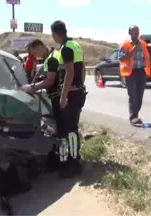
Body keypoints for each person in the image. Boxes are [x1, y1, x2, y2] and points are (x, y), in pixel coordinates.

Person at [50, 20, 87, 178]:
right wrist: (80, 86)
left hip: (71, 94)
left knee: (70, 130)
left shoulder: (66, 49)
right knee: (72, 129)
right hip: (77, 92)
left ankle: (73, 163)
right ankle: (73, 161)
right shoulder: (76, 45)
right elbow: (83, 69)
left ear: (55, 34)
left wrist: (64, 96)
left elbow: (69, 73)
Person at [20, 39, 62, 170]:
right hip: (58, 96)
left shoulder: (51, 58)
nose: (35, 56)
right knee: (60, 130)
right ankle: (63, 161)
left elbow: (50, 81)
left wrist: (33, 86)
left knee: (61, 131)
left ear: (39, 47)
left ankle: (63, 162)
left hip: (59, 96)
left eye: (34, 53)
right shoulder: (53, 55)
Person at [118, 25, 151, 127]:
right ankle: (133, 117)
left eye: (137, 32)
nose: (136, 34)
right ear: (129, 33)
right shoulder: (125, 44)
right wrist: (132, 50)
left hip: (141, 71)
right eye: (134, 32)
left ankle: (136, 115)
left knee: (140, 95)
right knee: (133, 96)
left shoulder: (143, 44)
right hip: (130, 73)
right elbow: (121, 58)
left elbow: (146, 56)